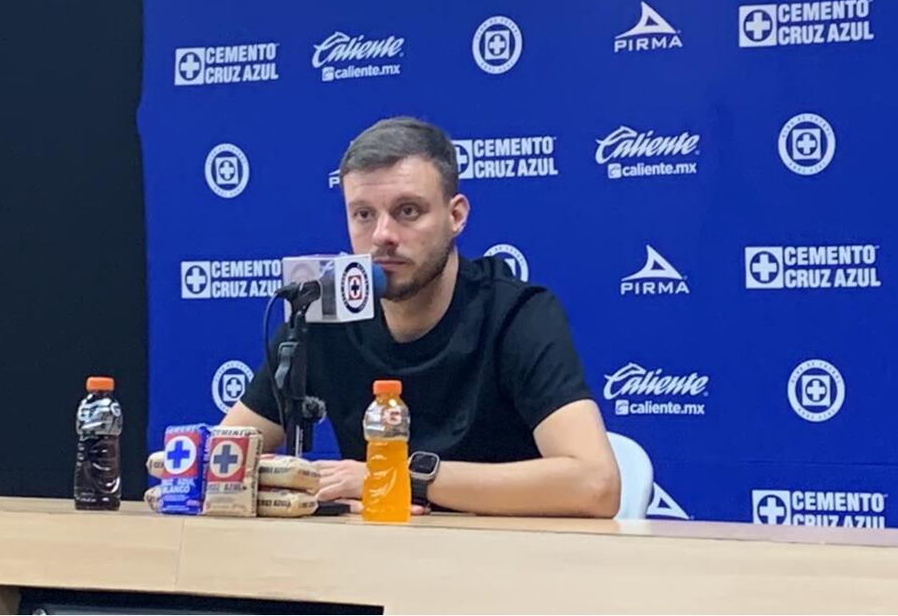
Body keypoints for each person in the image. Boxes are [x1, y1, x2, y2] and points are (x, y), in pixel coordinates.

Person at [222, 116, 620, 517]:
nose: (382, 235)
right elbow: (226, 458)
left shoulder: (516, 315)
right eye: (363, 214)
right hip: (366, 565)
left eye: (407, 211)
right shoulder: (322, 314)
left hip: (502, 561)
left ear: (456, 216)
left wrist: (396, 478)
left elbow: (595, 485)